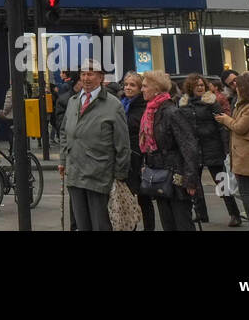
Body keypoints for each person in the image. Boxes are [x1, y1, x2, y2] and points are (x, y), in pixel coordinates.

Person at [59, 60, 130, 231]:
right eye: (83, 74)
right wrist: (63, 160)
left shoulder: (113, 105)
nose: (86, 78)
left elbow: (122, 144)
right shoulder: (73, 102)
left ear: (100, 77)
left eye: (90, 74)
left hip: (99, 176)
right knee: (82, 225)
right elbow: (64, 132)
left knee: (100, 225)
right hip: (75, 174)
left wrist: (119, 175)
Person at [139, 72, 200, 231]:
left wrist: (191, 179)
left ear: (157, 89)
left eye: (145, 86)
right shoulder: (151, 111)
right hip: (159, 175)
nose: (142, 89)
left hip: (176, 176)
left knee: (182, 223)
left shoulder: (172, 112)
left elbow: (189, 146)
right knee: (168, 224)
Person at [179, 72, 240, 227]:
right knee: (196, 183)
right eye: (197, 85)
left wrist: (225, 146)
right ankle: (201, 213)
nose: (200, 87)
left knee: (221, 182)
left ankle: (234, 214)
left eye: (202, 85)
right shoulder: (183, 104)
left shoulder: (212, 102)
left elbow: (221, 124)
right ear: (190, 87)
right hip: (194, 148)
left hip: (212, 146)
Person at [215, 72, 249, 230]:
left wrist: (226, 120)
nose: (235, 88)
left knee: (247, 193)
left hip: (247, 154)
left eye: (237, 86)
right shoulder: (246, 104)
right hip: (246, 152)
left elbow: (240, 127)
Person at [119, 71, 156, 231]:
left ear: (140, 88)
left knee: (143, 197)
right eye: (126, 84)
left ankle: (149, 227)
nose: (128, 88)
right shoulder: (122, 103)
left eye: (132, 85)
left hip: (139, 157)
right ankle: (130, 227)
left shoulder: (143, 106)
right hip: (125, 156)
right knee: (126, 198)